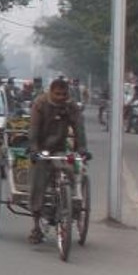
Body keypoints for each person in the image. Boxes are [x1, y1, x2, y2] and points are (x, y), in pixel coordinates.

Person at [28, 77, 89, 244]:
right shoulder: (40, 104)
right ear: (51, 92)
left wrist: (82, 148)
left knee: (69, 170)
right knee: (38, 180)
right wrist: (34, 149)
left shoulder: (71, 106)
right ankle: (36, 225)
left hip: (60, 148)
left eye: (64, 94)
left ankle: (69, 206)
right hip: (41, 149)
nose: (61, 97)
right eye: (58, 94)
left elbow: (79, 128)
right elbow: (33, 129)